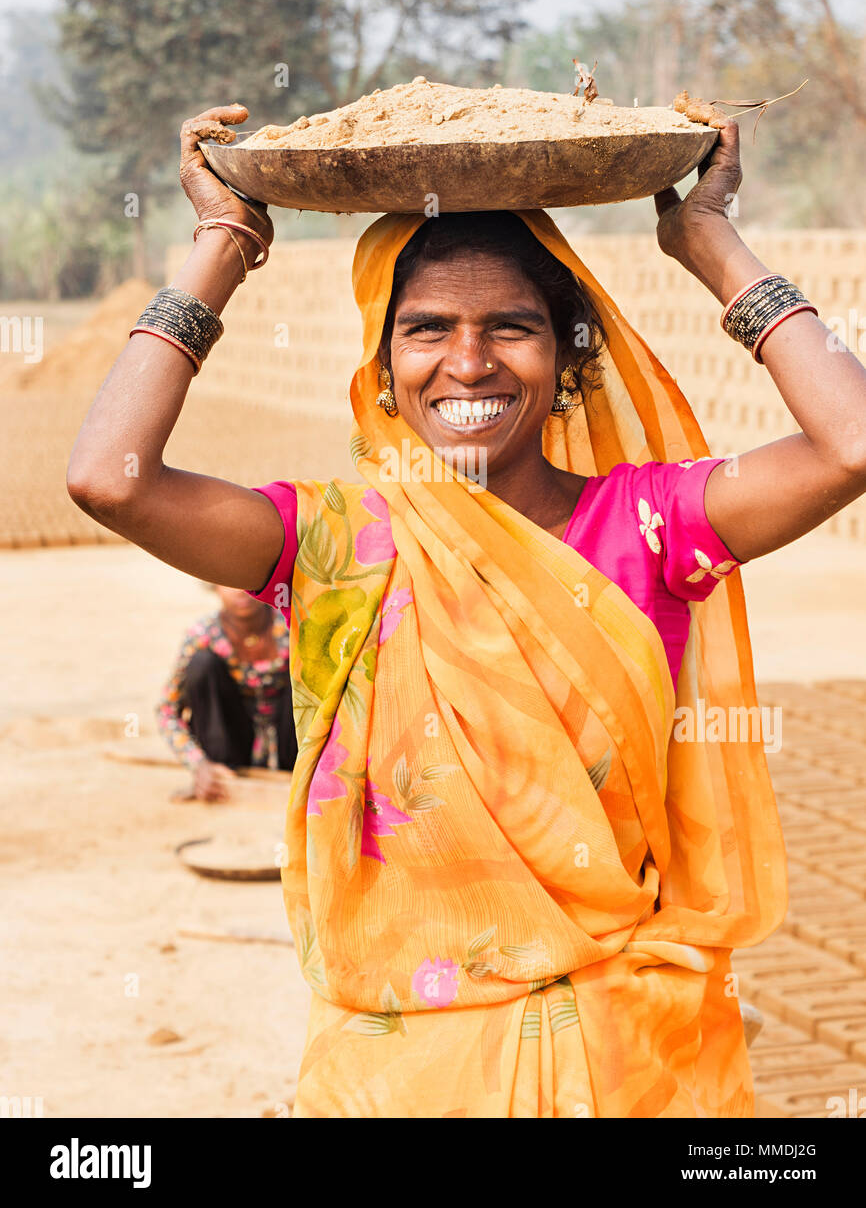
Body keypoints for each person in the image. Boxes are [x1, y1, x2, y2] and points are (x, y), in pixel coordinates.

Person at [66, 101, 866, 1118]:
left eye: (511, 328)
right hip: (401, 1074)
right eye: (427, 329)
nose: (470, 360)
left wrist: (706, 237)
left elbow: (847, 445)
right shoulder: (336, 545)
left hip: (618, 1062)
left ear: (569, 356)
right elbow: (109, 480)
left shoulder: (651, 523)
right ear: (384, 373)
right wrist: (223, 243)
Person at [157, 583, 296, 801]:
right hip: (231, 748)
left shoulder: (291, 624)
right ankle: (220, 770)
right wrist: (198, 764)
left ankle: (308, 769)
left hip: (294, 747)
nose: (239, 589)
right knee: (202, 664)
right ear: (214, 586)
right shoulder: (203, 634)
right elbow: (167, 711)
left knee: (308, 665)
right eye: (228, 582)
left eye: (245, 577)